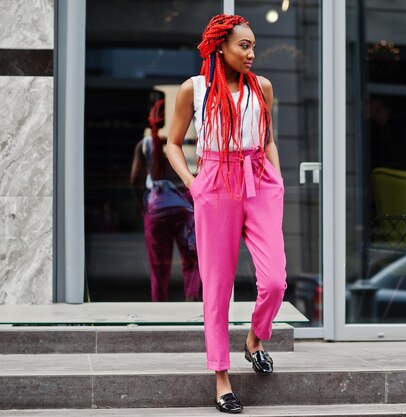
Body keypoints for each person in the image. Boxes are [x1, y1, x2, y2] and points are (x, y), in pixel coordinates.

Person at [166, 14, 287, 414]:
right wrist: (193, 182)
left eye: (253, 45)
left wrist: (278, 179)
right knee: (217, 287)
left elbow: (268, 139)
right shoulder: (194, 89)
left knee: (274, 281)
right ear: (220, 46)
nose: (252, 53)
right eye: (244, 46)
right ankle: (221, 377)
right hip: (215, 180)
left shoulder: (263, 88)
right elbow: (172, 143)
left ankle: (255, 338)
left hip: (259, 178)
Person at [130, 97, 201, 302]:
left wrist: (143, 206)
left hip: (155, 204)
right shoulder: (185, 140)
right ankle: (192, 300)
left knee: (158, 265)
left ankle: (158, 308)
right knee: (192, 256)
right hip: (183, 203)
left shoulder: (145, 145)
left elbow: (134, 180)